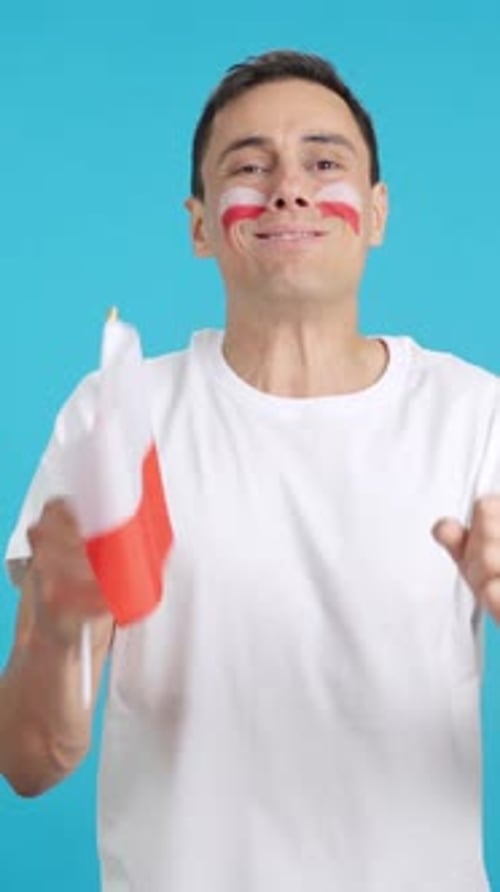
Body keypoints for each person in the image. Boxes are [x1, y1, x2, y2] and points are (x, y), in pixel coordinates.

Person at [2, 48, 500, 891]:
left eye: (324, 161)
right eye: (249, 166)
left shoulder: (479, 416)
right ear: (200, 225)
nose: (289, 188)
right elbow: (28, 762)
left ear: (376, 212)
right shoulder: (117, 413)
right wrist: (55, 630)